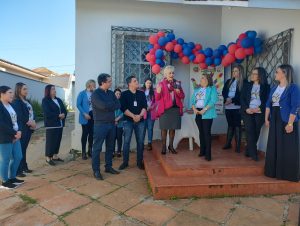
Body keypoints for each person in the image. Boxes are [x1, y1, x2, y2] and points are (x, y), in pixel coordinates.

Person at [264, 64, 300, 182]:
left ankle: (286, 174)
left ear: (284, 73)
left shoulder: (293, 88)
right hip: (274, 118)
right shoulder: (274, 88)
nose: (275, 74)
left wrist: (290, 124)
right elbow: (268, 103)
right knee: (274, 144)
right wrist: (266, 118)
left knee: (287, 146)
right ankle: (272, 171)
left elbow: (295, 106)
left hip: (286, 119)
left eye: (277, 72)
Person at [91, 73, 120, 180]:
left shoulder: (111, 93)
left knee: (110, 147)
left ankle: (108, 167)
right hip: (100, 125)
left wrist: (109, 105)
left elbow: (118, 105)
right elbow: (102, 106)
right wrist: (110, 105)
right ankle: (96, 171)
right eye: (109, 81)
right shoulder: (95, 94)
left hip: (111, 124)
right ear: (103, 83)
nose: (111, 83)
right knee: (97, 148)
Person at [118, 75, 147, 170]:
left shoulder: (141, 94)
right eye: (135, 81)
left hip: (140, 121)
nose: (137, 82)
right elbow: (123, 108)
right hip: (128, 121)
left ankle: (139, 162)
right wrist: (133, 116)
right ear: (129, 83)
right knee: (126, 142)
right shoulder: (124, 94)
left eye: (137, 80)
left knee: (140, 142)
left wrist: (140, 116)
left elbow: (144, 106)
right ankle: (125, 162)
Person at [241, 67, 270, 161]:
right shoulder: (247, 85)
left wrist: (259, 108)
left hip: (259, 112)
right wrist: (246, 109)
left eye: (255, 74)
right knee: (249, 131)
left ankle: (248, 150)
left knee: (256, 132)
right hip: (248, 112)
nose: (252, 75)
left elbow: (267, 101)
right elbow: (242, 98)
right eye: (252, 73)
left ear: (260, 76)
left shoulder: (266, 87)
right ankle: (254, 154)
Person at [155, 65, 185, 155]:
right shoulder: (161, 84)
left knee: (173, 129)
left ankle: (171, 146)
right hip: (165, 110)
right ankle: (164, 147)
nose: (172, 74)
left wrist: (179, 93)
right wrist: (158, 92)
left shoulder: (177, 83)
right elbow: (157, 98)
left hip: (175, 109)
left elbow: (182, 96)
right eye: (170, 73)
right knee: (164, 129)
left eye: (173, 73)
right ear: (165, 74)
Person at [0, 86, 24, 189]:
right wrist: (14, 133)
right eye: (9, 92)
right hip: (5, 137)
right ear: (2, 93)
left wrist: (19, 131)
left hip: (15, 136)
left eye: (12, 92)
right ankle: (5, 181)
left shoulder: (11, 105)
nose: (12, 94)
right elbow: (2, 124)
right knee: (5, 159)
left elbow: (17, 120)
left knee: (18, 157)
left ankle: (12, 177)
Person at [191, 74, 218, 161]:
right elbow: (192, 100)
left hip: (207, 113)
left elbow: (213, 100)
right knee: (201, 133)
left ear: (207, 80)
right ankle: (202, 151)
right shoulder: (197, 89)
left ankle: (208, 154)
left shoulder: (212, 88)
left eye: (203, 78)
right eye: (201, 78)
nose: (201, 79)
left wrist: (204, 109)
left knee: (207, 133)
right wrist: (194, 108)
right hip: (198, 112)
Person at [13, 82, 36, 177]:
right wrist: (30, 122)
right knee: (20, 149)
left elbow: (31, 113)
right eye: (24, 89)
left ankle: (24, 167)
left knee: (24, 148)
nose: (26, 91)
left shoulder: (27, 101)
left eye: (27, 89)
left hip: (29, 128)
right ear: (18, 90)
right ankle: (18, 170)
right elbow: (20, 116)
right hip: (22, 128)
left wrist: (33, 122)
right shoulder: (16, 102)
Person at [222, 65, 245, 153]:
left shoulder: (244, 82)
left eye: (236, 71)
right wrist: (227, 99)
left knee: (237, 126)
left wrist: (232, 100)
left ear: (240, 72)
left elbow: (242, 95)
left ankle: (238, 146)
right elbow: (224, 91)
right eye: (233, 71)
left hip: (237, 107)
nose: (234, 73)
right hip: (228, 107)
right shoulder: (229, 81)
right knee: (230, 125)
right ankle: (228, 144)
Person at [42, 85, 67, 166]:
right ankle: (48, 158)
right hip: (51, 124)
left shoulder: (58, 99)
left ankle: (55, 156)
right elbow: (47, 112)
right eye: (53, 89)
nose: (55, 90)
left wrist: (63, 114)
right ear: (48, 91)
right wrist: (58, 115)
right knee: (50, 142)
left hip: (60, 124)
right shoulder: (45, 100)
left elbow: (64, 109)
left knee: (57, 141)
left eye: (55, 89)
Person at [76, 79, 96, 160]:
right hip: (85, 115)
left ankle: (90, 150)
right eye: (94, 85)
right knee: (85, 133)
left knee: (91, 134)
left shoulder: (94, 93)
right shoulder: (82, 93)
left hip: (93, 115)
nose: (95, 87)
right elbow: (78, 104)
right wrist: (84, 113)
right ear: (89, 85)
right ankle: (83, 152)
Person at [141, 78, 157, 151]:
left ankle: (149, 143)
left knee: (150, 128)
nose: (149, 84)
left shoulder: (154, 92)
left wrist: (151, 107)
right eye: (147, 83)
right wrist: (145, 107)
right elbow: (139, 101)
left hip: (151, 112)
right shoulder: (141, 91)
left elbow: (156, 102)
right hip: (143, 112)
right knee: (143, 128)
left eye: (150, 83)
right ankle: (142, 143)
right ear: (145, 83)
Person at [114, 88, 123, 158]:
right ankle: (112, 151)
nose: (118, 95)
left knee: (119, 137)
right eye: (117, 93)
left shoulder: (122, 103)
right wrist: (114, 120)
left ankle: (119, 151)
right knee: (113, 138)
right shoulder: (111, 102)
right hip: (112, 123)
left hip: (120, 123)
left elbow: (123, 112)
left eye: (119, 94)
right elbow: (109, 112)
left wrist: (117, 119)